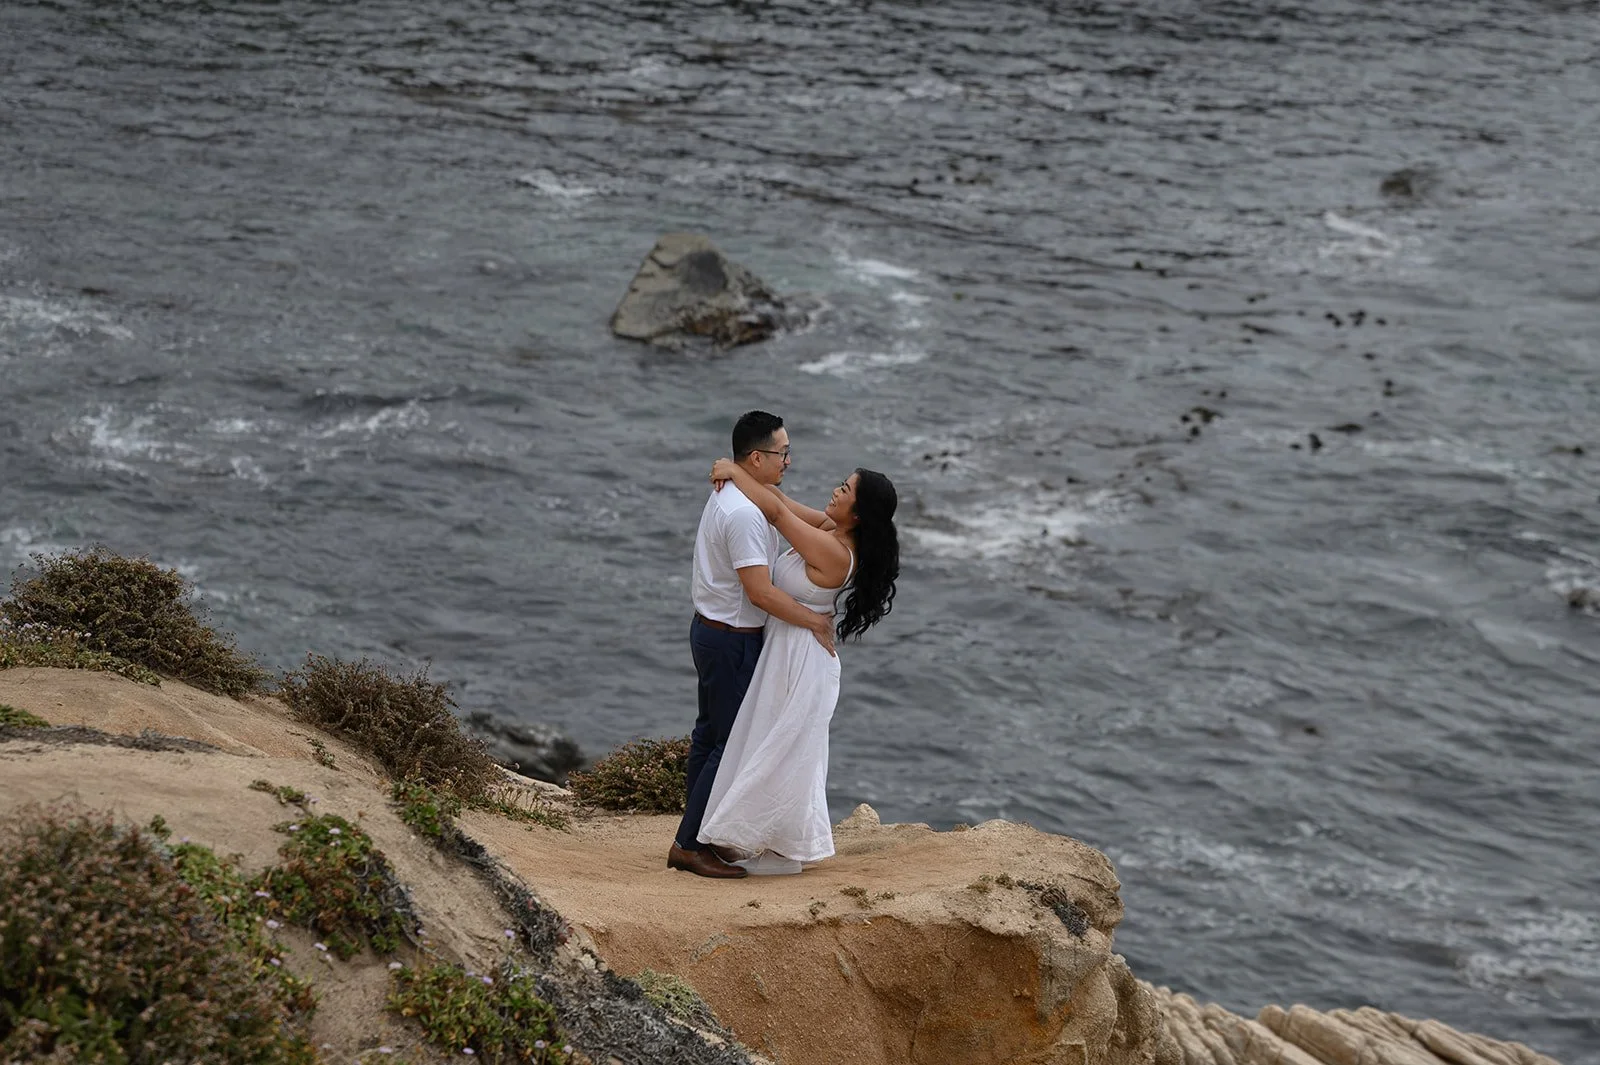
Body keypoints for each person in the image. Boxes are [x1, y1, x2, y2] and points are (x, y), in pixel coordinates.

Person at [694, 455, 899, 874]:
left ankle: (767, 839)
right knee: (773, 745)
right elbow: (778, 497)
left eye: (845, 490)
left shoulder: (833, 550)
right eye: (841, 482)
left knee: (781, 749)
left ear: (857, 514)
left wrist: (734, 473)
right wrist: (739, 469)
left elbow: (775, 511)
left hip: (800, 658)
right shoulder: (829, 529)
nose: (836, 490)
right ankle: (753, 834)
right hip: (788, 648)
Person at [669, 411, 838, 880]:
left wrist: (734, 468)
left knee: (708, 736)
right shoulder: (745, 513)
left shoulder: (744, 493)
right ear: (759, 457)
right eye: (783, 453)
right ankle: (689, 845)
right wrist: (815, 622)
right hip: (731, 642)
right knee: (728, 743)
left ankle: (698, 830)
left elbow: (816, 520)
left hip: (711, 630)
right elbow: (761, 594)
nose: (789, 461)